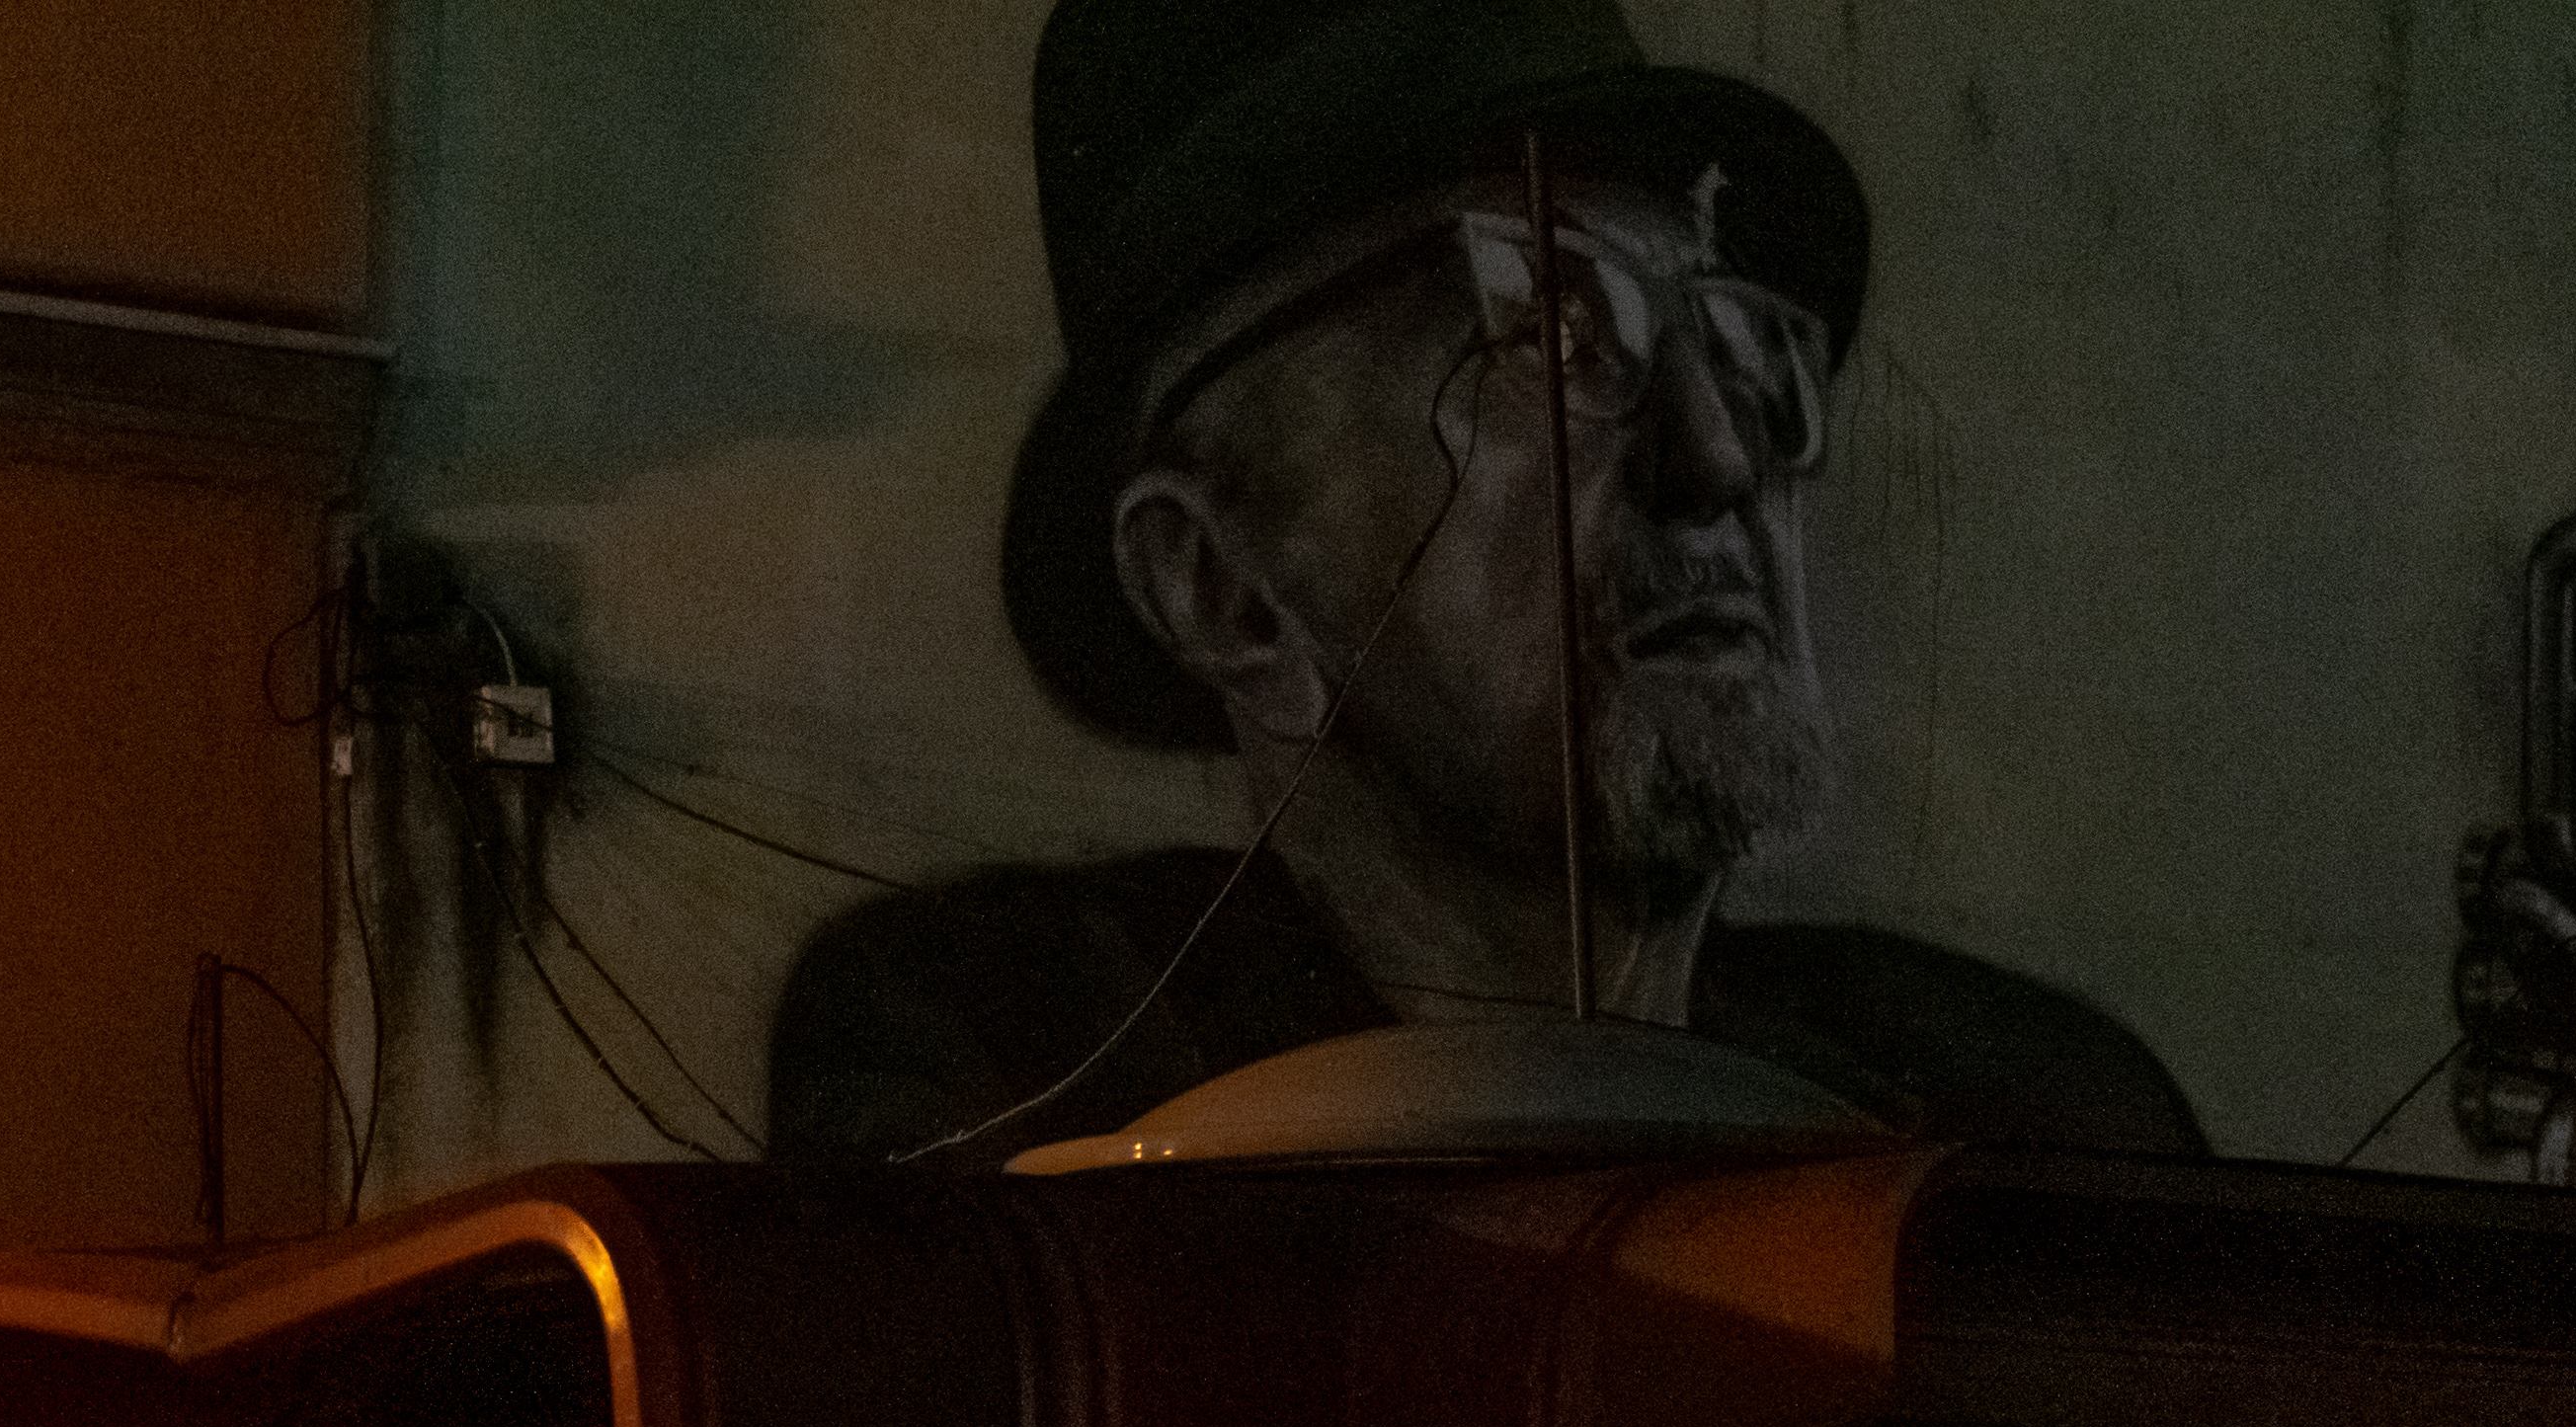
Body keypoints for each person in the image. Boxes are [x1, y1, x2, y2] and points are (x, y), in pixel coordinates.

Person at [771, 0, 2199, 1167]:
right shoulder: (1016, 1056)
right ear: (1224, 589)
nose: (1714, 458)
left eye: (1741, 349)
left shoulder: (2035, 1121)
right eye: (1554, 330)